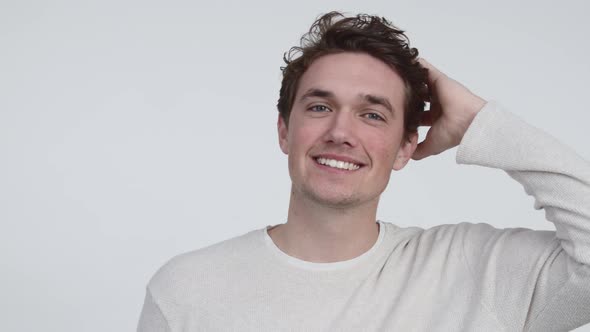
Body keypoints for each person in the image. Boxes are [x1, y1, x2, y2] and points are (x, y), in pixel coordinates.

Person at [137, 11, 590, 331]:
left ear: (405, 146)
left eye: (372, 115)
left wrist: (478, 121)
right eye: (319, 106)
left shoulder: (474, 272)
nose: (340, 131)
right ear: (283, 130)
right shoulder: (188, 290)